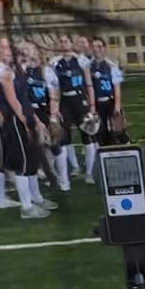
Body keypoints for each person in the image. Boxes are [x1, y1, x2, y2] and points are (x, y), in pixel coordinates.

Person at [0, 36, 47, 219]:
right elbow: (11, 101)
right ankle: (26, 207)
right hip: (14, 120)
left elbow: (23, 99)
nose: (9, 50)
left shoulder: (12, 69)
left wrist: (36, 121)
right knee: (22, 164)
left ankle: (34, 199)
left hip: (22, 117)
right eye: (4, 47)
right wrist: (24, 123)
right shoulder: (0, 73)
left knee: (30, 161)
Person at [16, 39, 67, 200]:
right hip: (27, 112)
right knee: (32, 149)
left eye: (31, 50)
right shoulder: (20, 71)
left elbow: (54, 95)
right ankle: (39, 184)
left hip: (44, 110)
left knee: (55, 145)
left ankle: (64, 180)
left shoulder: (46, 71)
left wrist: (53, 116)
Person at [46, 35, 95, 186]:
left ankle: (89, 173)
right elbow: (54, 87)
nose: (63, 44)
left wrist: (92, 106)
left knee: (88, 137)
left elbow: (89, 84)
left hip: (81, 101)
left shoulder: (81, 60)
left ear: (71, 43)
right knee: (64, 138)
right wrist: (55, 108)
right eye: (60, 42)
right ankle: (69, 172)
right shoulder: (54, 62)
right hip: (65, 102)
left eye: (66, 41)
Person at [88, 37, 127, 171]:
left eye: (99, 46)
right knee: (101, 133)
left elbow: (117, 88)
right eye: (94, 46)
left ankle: (128, 155)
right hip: (96, 105)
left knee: (120, 131)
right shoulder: (88, 66)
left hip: (110, 102)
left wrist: (117, 106)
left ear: (104, 48)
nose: (96, 49)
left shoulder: (111, 65)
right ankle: (107, 162)